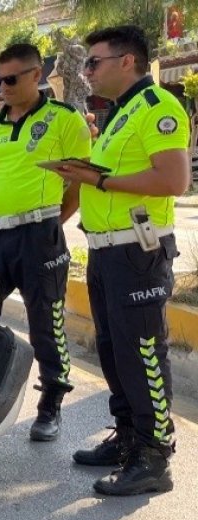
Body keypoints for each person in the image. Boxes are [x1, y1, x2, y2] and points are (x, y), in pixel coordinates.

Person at [52, 25, 188, 496]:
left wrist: (101, 181)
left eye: (94, 62)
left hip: (138, 250)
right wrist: (87, 174)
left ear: (126, 61)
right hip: (107, 249)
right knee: (113, 347)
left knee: (143, 351)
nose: (86, 71)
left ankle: (154, 457)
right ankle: (129, 437)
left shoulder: (157, 108)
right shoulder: (117, 115)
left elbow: (173, 179)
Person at [0, 43, 91, 442]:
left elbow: (78, 181)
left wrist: (50, 223)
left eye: (11, 79)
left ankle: (50, 405)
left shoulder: (64, 119)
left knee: (46, 321)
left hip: (38, 236)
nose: (3, 87)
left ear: (36, 74)